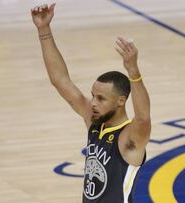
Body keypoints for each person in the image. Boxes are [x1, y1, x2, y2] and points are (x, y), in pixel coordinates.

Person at [31, 3, 151, 203]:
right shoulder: (95, 123)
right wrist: (44, 30)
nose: (93, 103)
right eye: (93, 96)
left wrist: (133, 72)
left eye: (101, 98)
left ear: (121, 101)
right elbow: (60, 80)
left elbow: (143, 116)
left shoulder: (130, 138)